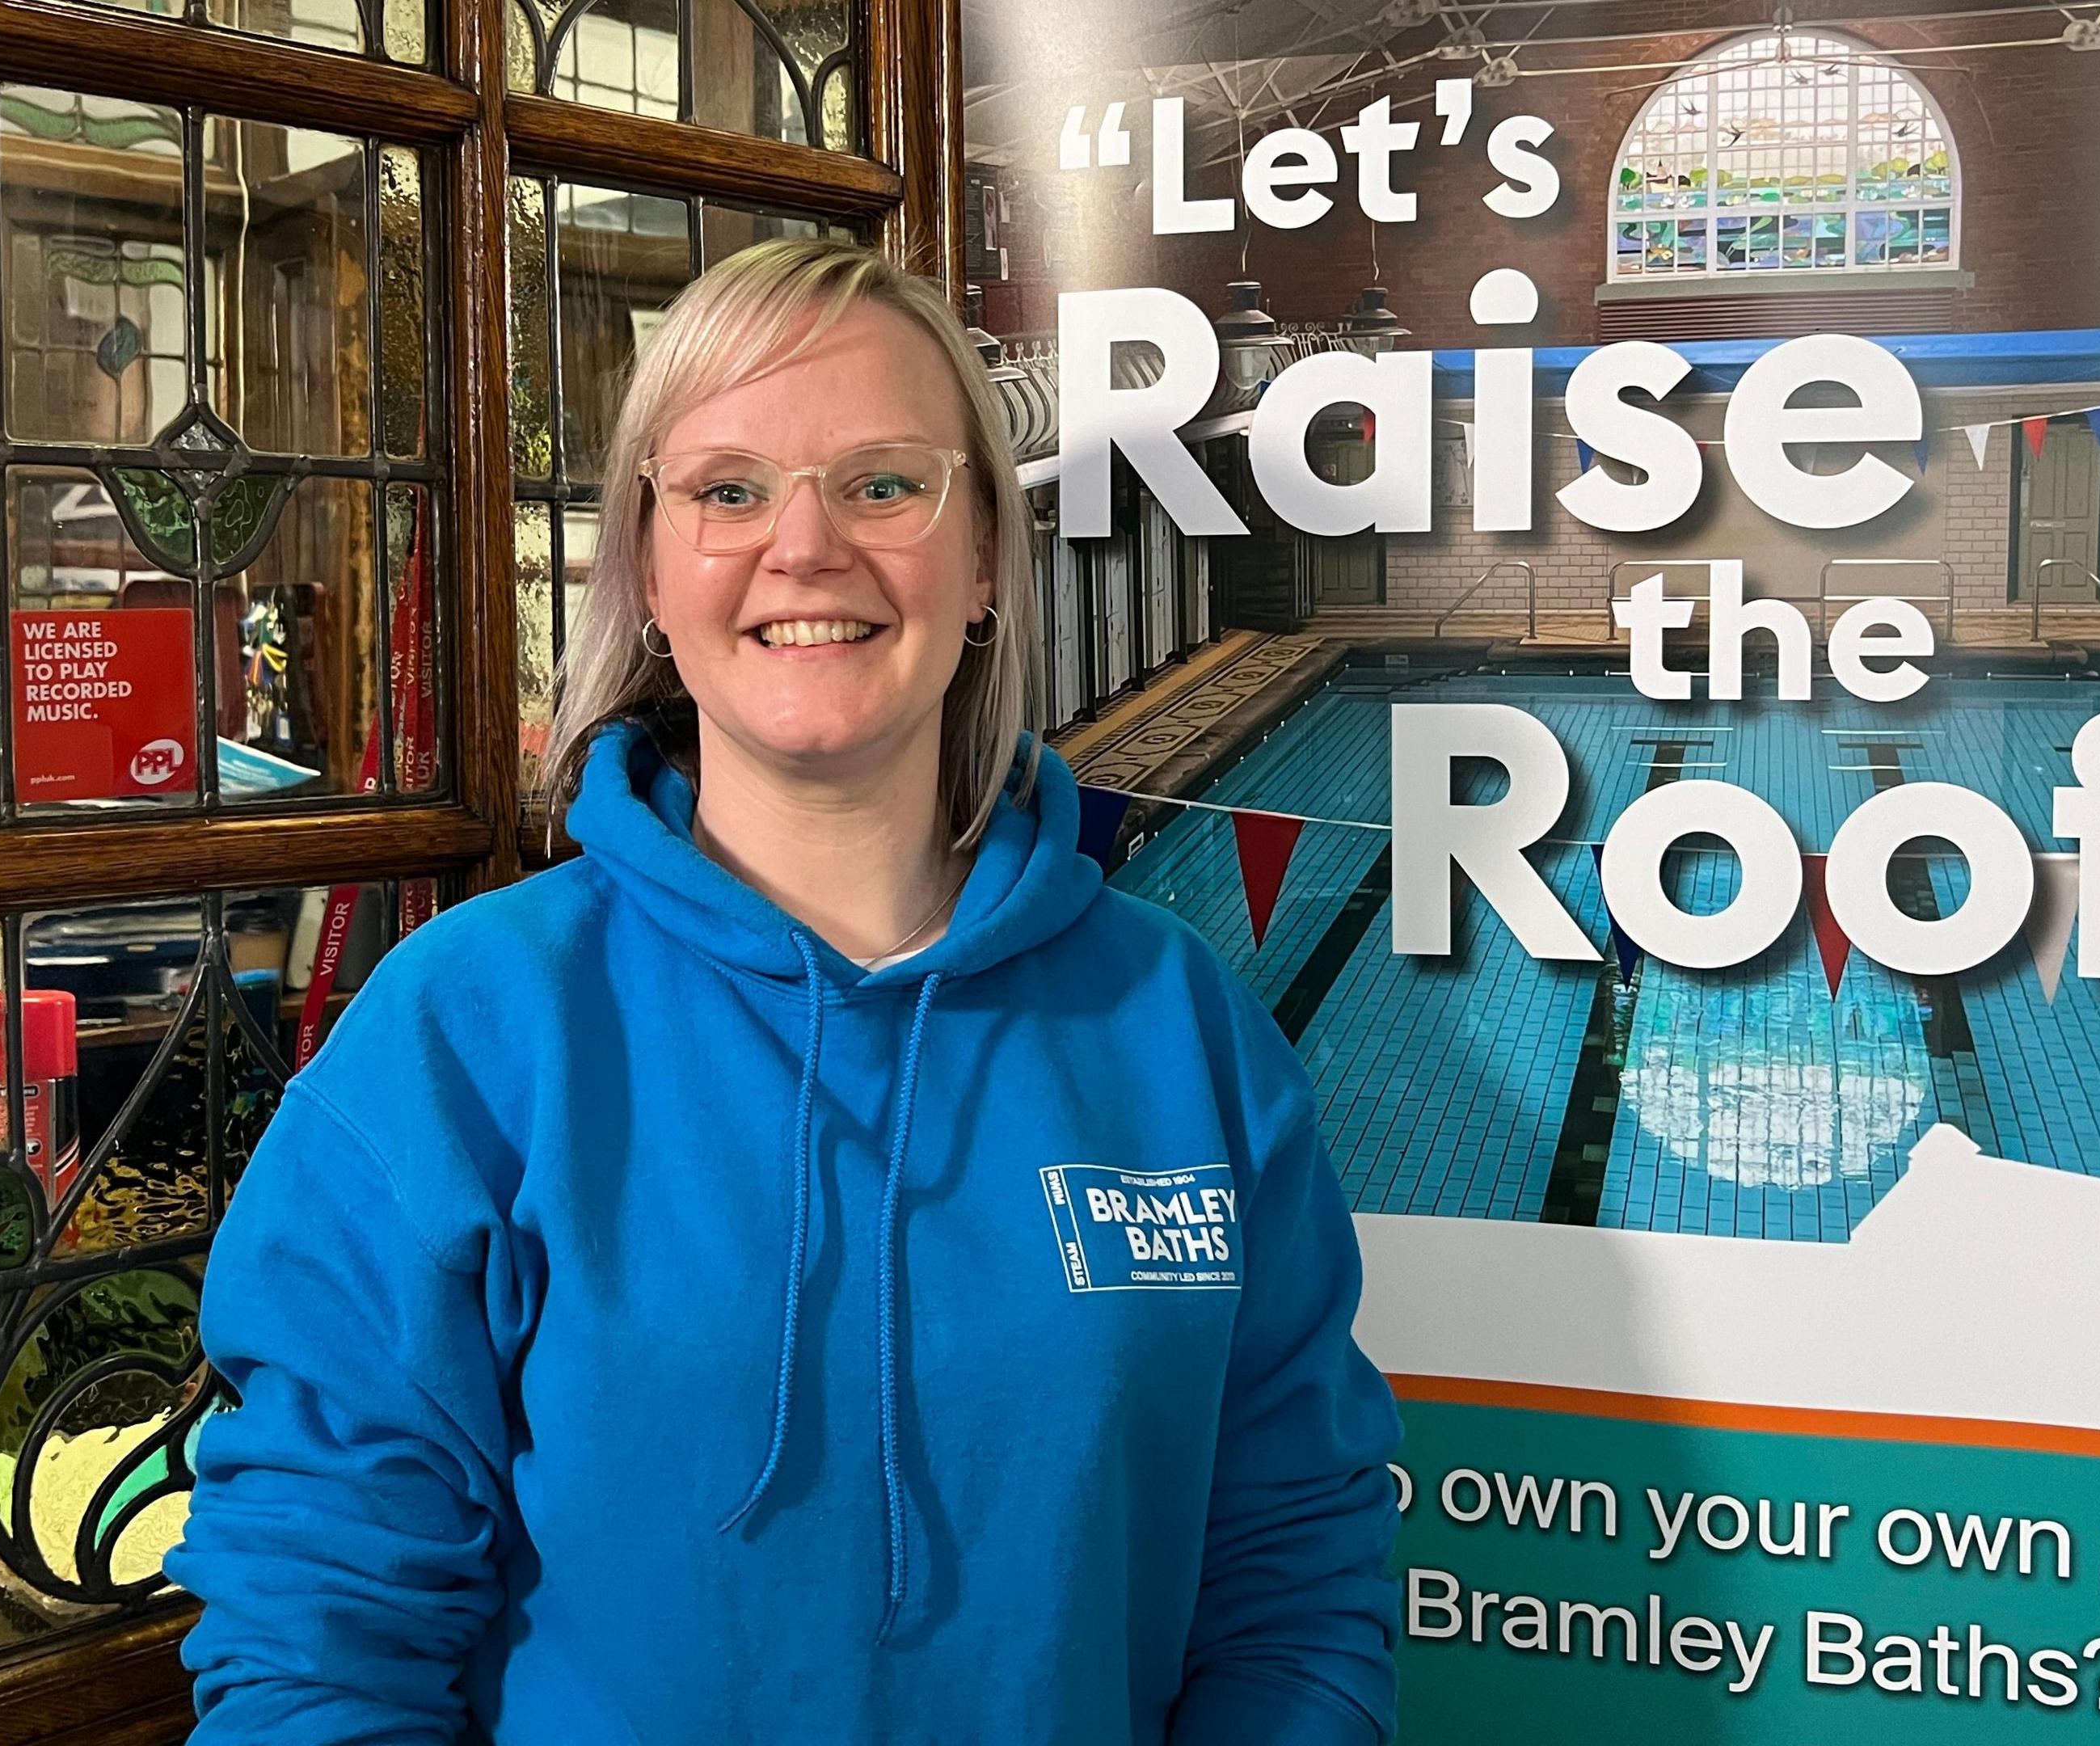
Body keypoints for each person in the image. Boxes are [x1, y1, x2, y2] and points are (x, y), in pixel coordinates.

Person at [168, 238, 1400, 1743]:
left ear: (988, 562)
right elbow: (319, 1630)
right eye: (730, 490)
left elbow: (1293, 1573)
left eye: (884, 483)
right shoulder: (471, 1034)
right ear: (650, 567)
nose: (804, 549)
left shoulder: (1179, 1034)